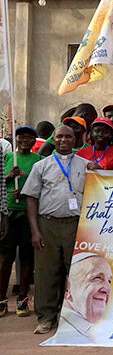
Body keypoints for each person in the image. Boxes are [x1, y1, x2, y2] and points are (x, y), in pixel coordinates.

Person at [21, 125, 89, 334]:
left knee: (77, 273)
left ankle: (77, 318)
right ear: (54, 139)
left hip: (75, 224)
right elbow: (31, 199)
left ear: (75, 139)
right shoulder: (42, 166)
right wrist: (35, 231)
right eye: (59, 137)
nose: (63, 140)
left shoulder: (86, 165)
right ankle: (46, 317)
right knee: (46, 272)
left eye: (68, 137)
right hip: (47, 224)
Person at [0, 126, 42, 317]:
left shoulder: (38, 161)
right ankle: (1, 299)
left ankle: (23, 299)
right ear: (16, 140)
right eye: (21, 137)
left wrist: (24, 193)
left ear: (34, 140)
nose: (25, 140)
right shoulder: (8, 159)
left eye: (29, 137)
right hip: (8, 213)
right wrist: (9, 178)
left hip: (28, 215)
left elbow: (42, 187)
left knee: (27, 258)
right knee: (5, 258)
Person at [53, 253, 112, 344]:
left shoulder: (82, 330)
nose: (107, 290)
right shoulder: (67, 336)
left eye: (109, 281)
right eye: (97, 278)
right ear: (67, 289)